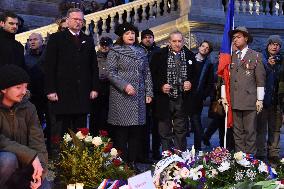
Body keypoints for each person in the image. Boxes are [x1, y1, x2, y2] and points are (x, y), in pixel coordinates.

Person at [44, 8, 99, 154]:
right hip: (62, 93)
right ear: (67, 20)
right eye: (75, 19)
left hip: (82, 93)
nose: (78, 22)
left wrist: (94, 88)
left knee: (81, 129)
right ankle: (63, 159)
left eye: (81, 20)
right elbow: (49, 66)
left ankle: (79, 159)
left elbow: (93, 66)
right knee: (63, 129)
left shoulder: (87, 39)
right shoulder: (56, 38)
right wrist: (50, 90)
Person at [106, 22, 153, 170]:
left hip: (138, 98)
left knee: (136, 133)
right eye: (127, 33)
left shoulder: (141, 51)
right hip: (121, 97)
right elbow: (110, 73)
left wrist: (149, 92)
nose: (131, 35)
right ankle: (121, 165)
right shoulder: (115, 51)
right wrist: (124, 85)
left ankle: (132, 163)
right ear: (121, 36)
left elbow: (147, 73)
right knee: (121, 134)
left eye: (132, 33)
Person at [0, 65, 50, 189]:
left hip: (24, 166)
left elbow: (38, 142)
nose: (23, 91)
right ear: (3, 89)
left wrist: (40, 173)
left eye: (26, 87)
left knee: (44, 186)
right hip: (5, 166)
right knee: (8, 160)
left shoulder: (29, 108)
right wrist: (30, 156)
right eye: (18, 87)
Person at [221, 26, 266, 155]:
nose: (235, 40)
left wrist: (260, 99)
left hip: (249, 101)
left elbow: (260, 80)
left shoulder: (256, 56)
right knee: (237, 133)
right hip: (234, 101)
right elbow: (225, 79)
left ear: (246, 38)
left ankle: (250, 161)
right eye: (234, 38)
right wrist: (224, 97)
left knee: (250, 132)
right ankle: (240, 159)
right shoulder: (231, 57)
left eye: (238, 37)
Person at [150, 31, 195, 152]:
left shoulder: (190, 55)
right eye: (174, 41)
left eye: (179, 41)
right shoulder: (159, 55)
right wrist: (160, 86)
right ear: (169, 41)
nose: (177, 44)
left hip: (182, 98)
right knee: (164, 130)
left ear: (183, 41)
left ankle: (180, 157)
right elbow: (151, 77)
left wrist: (190, 82)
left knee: (181, 130)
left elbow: (196, 76)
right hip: (164, 98)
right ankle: (167, 156)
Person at [256, 35, 283, 163]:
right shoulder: (261, 58)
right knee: (261, 129)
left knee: (275, 129)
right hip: (263, 101)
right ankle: (260, 152)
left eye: (277, 44)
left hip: (277, 101)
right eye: (272, 43)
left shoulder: (282, 61)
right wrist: (269, 66)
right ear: (268, 45)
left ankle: (273, 153)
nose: (274, 46)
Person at [189, 40, 214, 151]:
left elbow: (209, 83)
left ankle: (198, 147)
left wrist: (203, 95)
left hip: (197, 97)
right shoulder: (190, 59)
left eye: (207, 48)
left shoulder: (208, 65)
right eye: (203, 46)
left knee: (196, 121)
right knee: (186, 123)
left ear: (208, 51)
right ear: (199, 47)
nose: (204, 48)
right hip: (186, 95)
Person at [140, 29, 161, 160]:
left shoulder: (158, 51)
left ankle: (156, 151)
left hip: (157, 92)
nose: (148, 39)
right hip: (141, 92)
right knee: (144, 125)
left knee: (157, 124)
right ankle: (144, 151)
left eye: (150, 37)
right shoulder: (137, 50)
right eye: (145, 37)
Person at [90, 36, 113, 135]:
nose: (104, 47)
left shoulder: (114, 58)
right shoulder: (93, 57)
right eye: (102, 45)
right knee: (95, 116)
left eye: (106, 45)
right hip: (97, 88)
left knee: (108, 116)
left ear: (111, 46)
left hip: (110, 88)